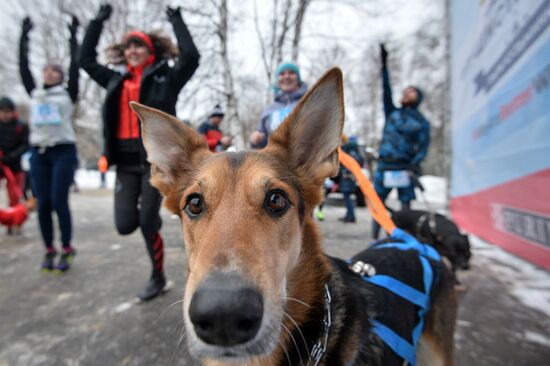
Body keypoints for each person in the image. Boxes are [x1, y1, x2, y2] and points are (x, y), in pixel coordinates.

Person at [80, 4, 200, 301]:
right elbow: (84, 59)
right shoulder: (114, 79)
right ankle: (150, 221)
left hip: (155, 162)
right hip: (123, 161)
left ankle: (157, 277)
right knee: (124, 225)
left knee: (147, 223)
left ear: (151, 52)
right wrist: (97, 21)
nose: (133, 51)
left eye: (139, 46)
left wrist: (175, 17)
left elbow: (192, 57)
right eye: (129, 47)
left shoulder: (166, 77)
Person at [19, 16, 80, 271]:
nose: (49, 72)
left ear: (61, 76)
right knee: (42, 203)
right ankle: (49, 249)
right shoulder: (35, 93)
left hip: (63, 151)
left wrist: (73, 35)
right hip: (39, 153)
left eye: (55, 70)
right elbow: (22, 66)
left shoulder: (68, 94)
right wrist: (24, 37)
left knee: (58, 200)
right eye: (46, 70)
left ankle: (66, 247)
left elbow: (76, 65)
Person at [372, 44, 430, 239]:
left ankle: (402, 235)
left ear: (418, 98)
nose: (407, 93)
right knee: (377, 201)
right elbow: (386, 90)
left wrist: (415, 164)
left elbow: (423, 146)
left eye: (412, 91)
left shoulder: (421, 122)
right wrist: (384, 64)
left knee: (406, 203)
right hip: (385, 165)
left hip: (404, 168)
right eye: (405, 91)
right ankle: (376, 236)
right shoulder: (392, 112)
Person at [250, 62, 308, 148]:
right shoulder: (269, 110)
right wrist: (256, 140)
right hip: (277, 159)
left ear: (298, 78)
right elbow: (263, 142)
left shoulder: (309, 101)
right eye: (282, 74)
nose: (286, 76)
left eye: (291, 73)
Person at [0, 97, 30, 213]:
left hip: (15, 165)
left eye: (8, 112)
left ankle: (15, 220)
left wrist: (11, 156)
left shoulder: (21, 126)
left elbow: (26, 145)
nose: (5, 115)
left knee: (15, 195)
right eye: (2, 111)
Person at [339, 136, 364, 223]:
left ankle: (351, 217)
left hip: (348, 179)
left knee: (347, 198)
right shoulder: (354, 152)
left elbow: (351, 164)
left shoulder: (350, 152)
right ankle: (349, 215)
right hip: (350, 179)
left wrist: (347, 172)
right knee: (347, 198)